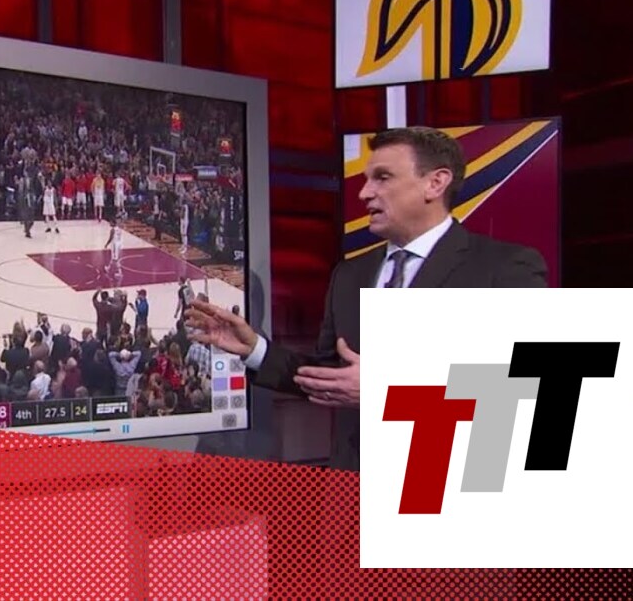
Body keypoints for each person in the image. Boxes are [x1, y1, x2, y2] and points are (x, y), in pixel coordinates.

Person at [184, 126, 548, 472]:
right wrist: (255, 350)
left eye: (383, 177)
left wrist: (387, 388)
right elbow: (331, 377)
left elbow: (526, 385)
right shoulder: (351, 274)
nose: (364, 193)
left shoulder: (502, 268)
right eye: (367, 179)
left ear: (435, 183)